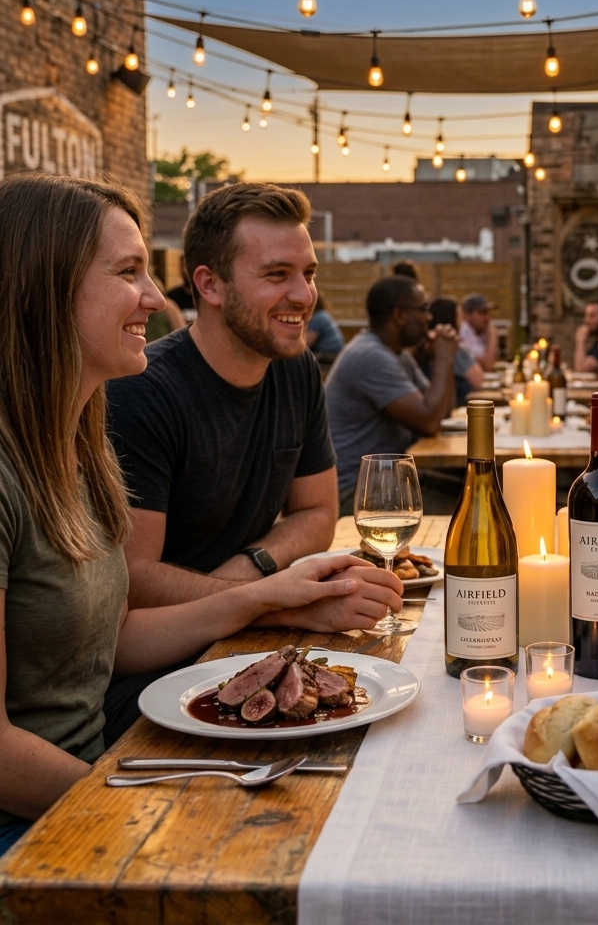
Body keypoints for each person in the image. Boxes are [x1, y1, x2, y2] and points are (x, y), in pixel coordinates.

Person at [0, 174, 402, 855]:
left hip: (94, 767)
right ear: (44, 287)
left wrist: (274, 602)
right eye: (129, 273)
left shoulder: (79, 446)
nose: (156, 300)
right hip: (33, 821)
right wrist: (151, 799)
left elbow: (108, 641)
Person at [104, 182, 389, 741]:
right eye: (277, 275)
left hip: (254, 644)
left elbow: (318, 513)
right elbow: (133, 581)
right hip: (157, 680)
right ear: (208, 283)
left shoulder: (295, 368)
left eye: (308, 274)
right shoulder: (143, 392)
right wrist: (274, 599)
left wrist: (253, 567)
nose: (304, 295)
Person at [325, 276, 459, 512]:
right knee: (468, 512)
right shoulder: (370, 356)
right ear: (399, 316)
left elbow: (441, 411)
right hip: (357, 492)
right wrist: (443, 358)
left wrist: (444, 360)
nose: (429, 317)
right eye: (423, 309)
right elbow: (429, 422)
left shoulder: (396, 354)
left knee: (474, 494)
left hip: (390, 479)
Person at [420, 297, 485, 406]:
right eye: (459, 317)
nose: (462, 322)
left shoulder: (422, 350)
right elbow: (479, 381)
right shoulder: (453, 349)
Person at [458, 293, 498, 371]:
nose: (487, 319)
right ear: (467, 315)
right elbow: (487, 365)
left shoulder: (478, 332)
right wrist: (493, 335)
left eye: (488, 313)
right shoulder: (464, 332)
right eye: (482, 313)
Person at [306, 293, 345, 367]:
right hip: (335, 352)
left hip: (330, 353)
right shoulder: (323, 314)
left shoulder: (318, 318)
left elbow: (307, 344)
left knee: (304, 359)